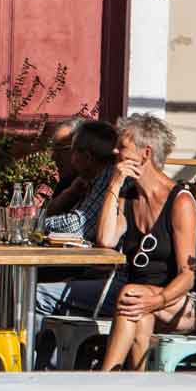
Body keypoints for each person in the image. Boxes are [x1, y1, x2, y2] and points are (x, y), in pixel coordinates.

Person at [93, 113, 196, 372]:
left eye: (122, 146)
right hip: (142, 300)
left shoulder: (180, 202)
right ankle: (136, 384)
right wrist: (115, 182)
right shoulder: (129, 196)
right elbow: (105, 239)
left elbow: (187, 276)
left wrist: (157, 300)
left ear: (145, 153)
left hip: (185, 302)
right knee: (138, 308)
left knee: (132, 297)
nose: (114, 150)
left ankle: (106, 377)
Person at [33, 117, 125, 331]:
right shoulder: (87, 181)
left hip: (107, 276)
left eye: (70, 151)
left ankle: (38, 363)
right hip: (91, 271)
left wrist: (32, 224)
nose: (55, 156)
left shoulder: (108, 179)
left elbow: (78, 225)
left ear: (87, 156)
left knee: (30, 295)